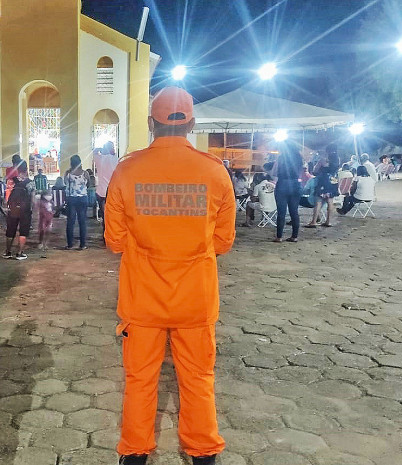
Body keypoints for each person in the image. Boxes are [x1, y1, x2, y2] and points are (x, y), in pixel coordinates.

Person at [105, 87, 235, 465]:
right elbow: (223, 242)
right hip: (196, 299)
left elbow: (115, 241)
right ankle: (203, 453)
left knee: (140, 380)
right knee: (198, 379)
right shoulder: (214, 171)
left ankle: (135, 452)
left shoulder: (128, 169)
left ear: (151, 123)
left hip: (142, 299)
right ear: (191, 124)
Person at [272, 144, 303, 242]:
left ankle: (279, 237)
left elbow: (274, 172)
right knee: (294, 211)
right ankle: (294, 236)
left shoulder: (281, 158)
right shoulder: (299, 158)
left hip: (283, 184)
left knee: (281, 212)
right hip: (295, 184)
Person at [4, 161, 33, 260]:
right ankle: (20, 253)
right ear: (26, 169)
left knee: (10, 230)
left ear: (17, 169)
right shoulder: (30, 182)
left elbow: (7, 195)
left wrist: (8, 205)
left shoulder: (11, 181)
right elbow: (33, 197)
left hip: (13, 209)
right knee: (23, 231)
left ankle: (8, 252)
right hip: (25, 209)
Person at [305, 151, 338, 228]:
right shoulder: (336, 160)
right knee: (330, 202)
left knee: (318, 201)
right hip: (333, 181)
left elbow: (315, 171)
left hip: (323, 181)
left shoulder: (323, 160)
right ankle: (328, 221)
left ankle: (313, 221)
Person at [63, 154, 90, 250]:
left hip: (72, 199)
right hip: (83, 198)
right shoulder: (85, 173)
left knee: (70, 222)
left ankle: (70, 244)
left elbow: (65, 183)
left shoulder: (68, 173)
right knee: (82, 222)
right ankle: (82, 244)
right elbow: (88, 184)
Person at [93, 141, 119, 234]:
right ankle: (111, 233)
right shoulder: (116, 159)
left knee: (104, 216)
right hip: (113, 192)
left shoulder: (100, 159)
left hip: (102, 192)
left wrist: (101, 149)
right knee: (112, 216)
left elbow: (94, 151)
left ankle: (105, 234)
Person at [37, 190, 54, 255]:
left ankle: (46, 243)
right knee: (42, 230)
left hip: (50, 218)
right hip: (43, 218)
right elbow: (39, 210)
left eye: (50, 194)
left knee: (49, 231)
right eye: (47, 194)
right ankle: (40, 242)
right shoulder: (41, 202)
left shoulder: (51, 202)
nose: (49, 196)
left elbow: (53, 209)